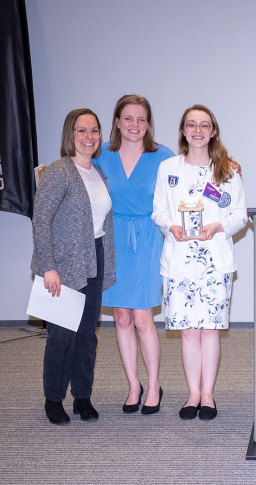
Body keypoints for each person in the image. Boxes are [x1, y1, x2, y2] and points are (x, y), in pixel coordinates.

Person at [152, 105, 247, 421]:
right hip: (180, 263)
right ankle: (192, 394)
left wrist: (216, 227)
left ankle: (208, 395)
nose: (197, 130)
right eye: (190, 125)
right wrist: (171, 226)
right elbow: (159, 211)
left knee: (210, 331)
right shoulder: (168, 168)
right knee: (188, 332)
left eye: (204, 125)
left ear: (213, 131)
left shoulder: (227, 170)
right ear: (182, 130)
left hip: (214, 262)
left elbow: (239, 215)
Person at [31, 109, 116, 424]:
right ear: (71, 134)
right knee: (61, 336)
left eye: (94, 131)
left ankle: (83, 397)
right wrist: (48, 266)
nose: (89, 137)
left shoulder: (98, 172)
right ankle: (53, 399)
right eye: (82, 131)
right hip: (64, 264)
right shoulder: (59, 171)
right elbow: (41, 221)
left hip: (93, 257)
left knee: (87, 335)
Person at [93, 95, 174, 415]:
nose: (135, 125)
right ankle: (133, 385)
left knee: (142, 318)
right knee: (122, 317)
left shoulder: (163, 157)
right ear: (116, 122)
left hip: (148, 239)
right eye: (128, 119)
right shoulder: (102, 156)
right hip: (112, 238)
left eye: (141, 119)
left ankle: (154, 385)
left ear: (149, 124)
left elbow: (193, 177)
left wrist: (225, 165)